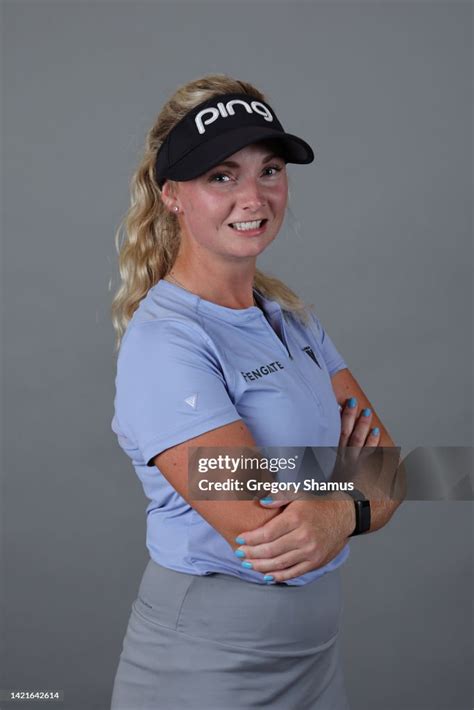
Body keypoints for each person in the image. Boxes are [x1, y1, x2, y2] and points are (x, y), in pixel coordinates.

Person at [109, 74, 400, 710]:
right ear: (172, 196)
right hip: (208, 665)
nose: (254, 196)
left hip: (316, 657)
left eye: (269, 170)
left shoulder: (292, 318)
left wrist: (335, 505)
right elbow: (261, 525)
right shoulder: (168, 341)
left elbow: (391, 472)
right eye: (221, 176)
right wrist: (346, 482)